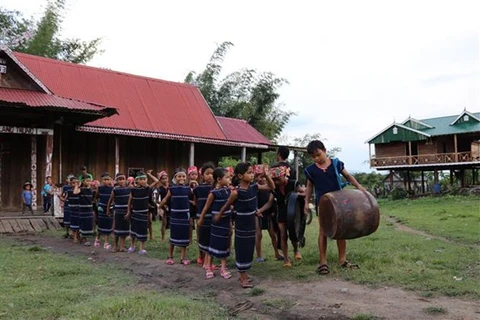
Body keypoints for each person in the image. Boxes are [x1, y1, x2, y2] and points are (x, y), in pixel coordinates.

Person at [304, 140, 366, 275]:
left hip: (340, 203)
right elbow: (309, 187)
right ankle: (323, 262)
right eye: (313, 157)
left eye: (318, 155)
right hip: (323, 204)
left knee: (340, 231)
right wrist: (306, 203)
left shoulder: (336, 164)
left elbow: (348, 176)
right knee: (323, 232)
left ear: (325, 150)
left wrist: (359, 187)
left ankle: (342, 260)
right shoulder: (311, 170)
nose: (316, 158)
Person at [216, 162, 275, 288]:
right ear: (240, 176)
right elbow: (227, 205)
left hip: (251, 223)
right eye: (249, 172)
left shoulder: (255, 187)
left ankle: (244, 274)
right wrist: (219, 214)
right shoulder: (236, 192)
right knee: (242, 249)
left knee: (249, 248)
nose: (252, 175)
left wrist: (267, 176)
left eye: (252, 172)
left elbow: (271, 187)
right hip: (242, 225)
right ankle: (242, 277)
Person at [198, 167, 232, 279]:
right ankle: (208, 266)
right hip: (216, 223)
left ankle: (223, 267)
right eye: (227, 177)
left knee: (225, 244)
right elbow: (206, 208)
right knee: (213, 244)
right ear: (219, 179)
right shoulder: (213, 193)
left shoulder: (228, 191)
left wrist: (230, 224)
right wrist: (201, 219)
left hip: (226, 222)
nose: (229, 179)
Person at [270, 164, 304, 268]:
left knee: (293, 233)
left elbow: (304, 193)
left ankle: (296, 250)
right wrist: (260, 210)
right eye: (274, 179)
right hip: (281, 213)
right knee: (283, 235)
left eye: (278, 179)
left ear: (284, 175)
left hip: (294, 213)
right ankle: (286, 258)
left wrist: (298, 195)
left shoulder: (293, 184)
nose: (276, 181)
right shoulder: (274, 187)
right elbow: (269, 202)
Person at [158, 168, 192, 264]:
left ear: (186, 178)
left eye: (183, 176)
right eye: (179, 176)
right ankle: (170, 256)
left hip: (185, 216)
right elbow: (165, 199)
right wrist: (159, 207)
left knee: (184, 238)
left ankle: (183, 257)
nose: (181, 178)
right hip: (175, 216)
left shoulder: (188, 189)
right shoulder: (172, 189)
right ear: (175, 177)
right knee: (173, 237)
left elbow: (193, 198)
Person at [254, 170, 283, 262]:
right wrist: (257, 211)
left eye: (263, 177)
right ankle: (259, 256)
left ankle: (277, 253)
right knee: (258, 235)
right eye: (259, 176)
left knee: (273, 235)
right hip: (256, 213)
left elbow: (270, 203)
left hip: (267, 212)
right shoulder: (254, 187)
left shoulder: (270, 187)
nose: (262, 179)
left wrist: (261, 210)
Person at [125, 171, 156, 254]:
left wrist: (149, 175)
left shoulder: (147, 189)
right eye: (141, 179)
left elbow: (156, 181)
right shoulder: (133, 190)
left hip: (144, 213)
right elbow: (129, 201)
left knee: (142, 230)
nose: (143, 181)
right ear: (137, 181)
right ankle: (132, 246)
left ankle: (141, 248)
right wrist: (128, 211)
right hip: (135, 212)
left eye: (145, 179)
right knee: (133, 229)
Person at [193, 162, 215, 267]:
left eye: (212, 173)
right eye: (207, 173)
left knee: (211, 238)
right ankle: (201, 257)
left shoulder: (216, 188)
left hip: (213, 217)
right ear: (202, 175)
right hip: (201, 217)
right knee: (201, 237)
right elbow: (195, 202)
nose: (210, 176)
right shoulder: (198, 189)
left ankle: (208, 260)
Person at [107, 173, 130, 252]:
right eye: (119, 179)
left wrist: (129, 211)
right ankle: (115, 246)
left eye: (123, 179)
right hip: (118, 211)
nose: (121, 181)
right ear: (116, 181)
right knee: (116, 229)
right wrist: (107, 210)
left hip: (126, 211)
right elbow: (110, 200)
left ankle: (122, 246)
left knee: (124, 229)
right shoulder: (115, 190)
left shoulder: (128, 189)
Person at [94, 173, 114, 249]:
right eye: (104, 180)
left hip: (110, 208)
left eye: (108, 179)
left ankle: (106, 242)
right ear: (102, 181)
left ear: (110, 180)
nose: (106, 181)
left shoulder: (112, 188)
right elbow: (96, 196)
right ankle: (97, 239)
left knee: (108, 224)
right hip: (101, 207)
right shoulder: (100, 188)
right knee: (101, 223)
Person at [73, 174, 95, 246]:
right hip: (82, 209)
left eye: (90, 181)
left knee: (88, 224)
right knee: (83, 223)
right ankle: (84, 238)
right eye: (87, 181)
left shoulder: (91, 190)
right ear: (83, 181)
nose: (88, 182)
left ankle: (84, 237)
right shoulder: (81, 189)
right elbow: (75, 192)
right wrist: (77, 185)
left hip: (89, 209)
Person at [155, 170, 170, 241]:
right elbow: (156, 199)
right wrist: (162, 204)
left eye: (165, 178)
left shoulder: (171, 187)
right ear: (160, 180)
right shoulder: (159, 189)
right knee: (164, 222)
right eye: (162, 179)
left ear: (168, 178)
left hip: (172, 205)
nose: (164, 180)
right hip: (164, 207)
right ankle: (163, 238)